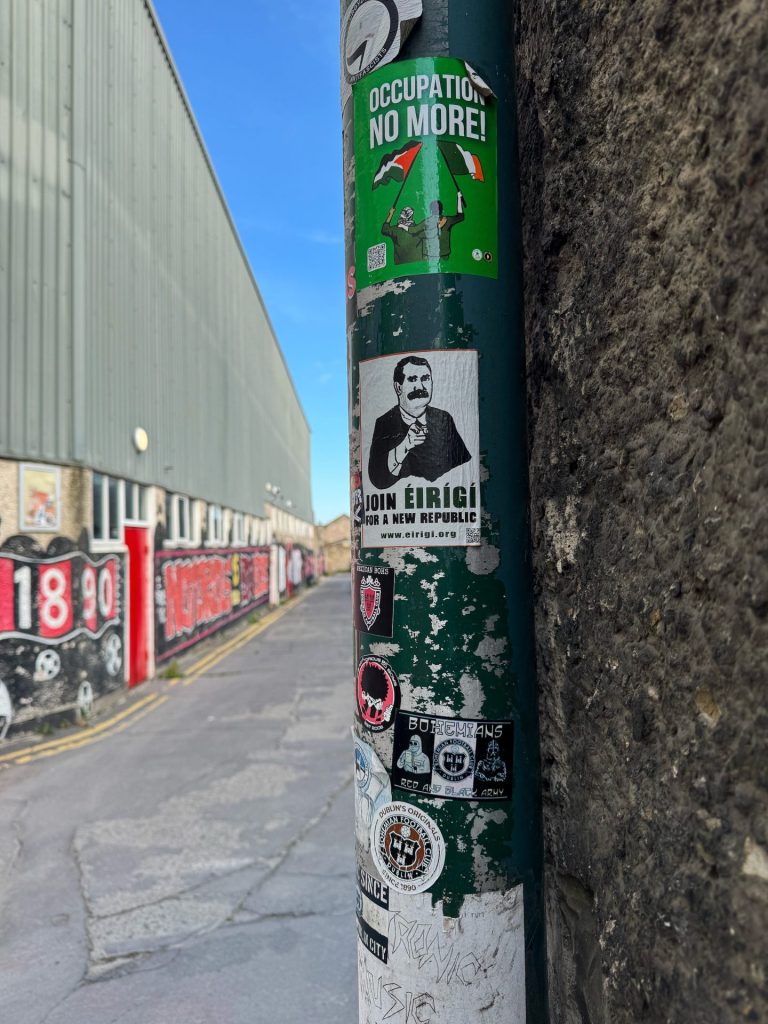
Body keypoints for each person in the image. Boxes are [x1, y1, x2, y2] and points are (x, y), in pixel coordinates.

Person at [367, 355, 471, 489]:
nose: (420, 387)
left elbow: (465, 467)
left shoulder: (443, 418)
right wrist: (405, 445)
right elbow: (377, 480)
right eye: (412, 380)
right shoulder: (385, 423)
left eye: (425, 379)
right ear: (398, 388)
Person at [421, 193, 464, 260]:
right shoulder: (447, 220)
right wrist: (459, 198)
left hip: (429, 254)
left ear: (430, 210)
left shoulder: (426, 221)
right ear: (442, 210)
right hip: (443, 254)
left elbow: (414, 231)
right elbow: (460, 216)